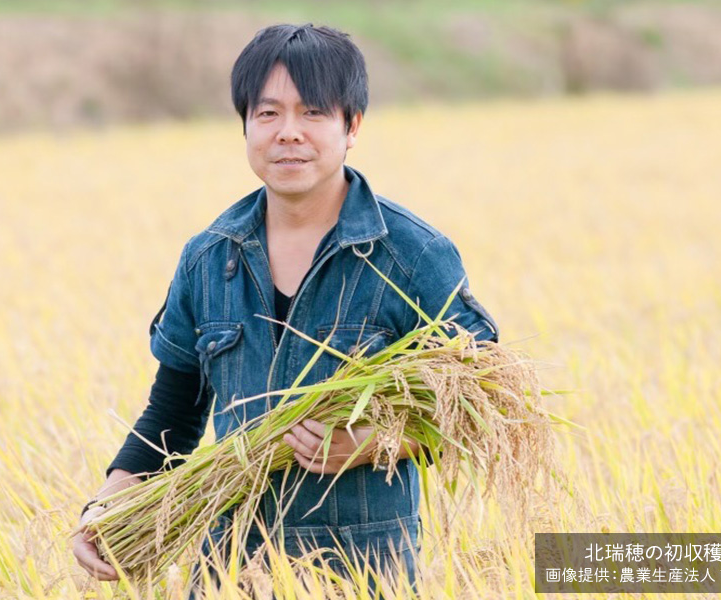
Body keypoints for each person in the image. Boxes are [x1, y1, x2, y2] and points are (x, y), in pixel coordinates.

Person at [72, 22, 499, 598]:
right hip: (230, 568)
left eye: (313, 113)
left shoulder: (410, 255)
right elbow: (173, 412)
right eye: (268, 114)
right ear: (245, 126)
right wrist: (110, 503)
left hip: (360, 572)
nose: (288, 134)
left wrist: (379, 441)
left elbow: (484, 398)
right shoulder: (208, 258)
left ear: (352, 127)